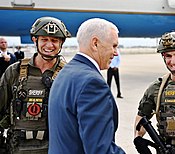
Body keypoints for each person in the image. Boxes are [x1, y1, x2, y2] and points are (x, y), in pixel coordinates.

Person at [48, 18, 125, 154]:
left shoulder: (65, 72)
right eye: (113, 46)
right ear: (95, 43)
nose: (116, 52)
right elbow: (100, 149)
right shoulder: (92, 83)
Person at [0, 16, 71, 154]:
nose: (49, 45)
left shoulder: (69, 74)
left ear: (61, 42)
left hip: (55, 148)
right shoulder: (14, 72)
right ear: (35, 40)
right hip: (17, 148)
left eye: (55, 40)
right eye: (44, 39)